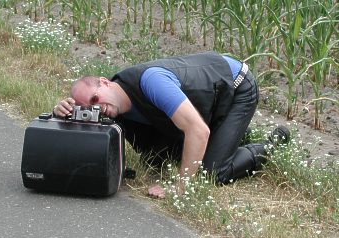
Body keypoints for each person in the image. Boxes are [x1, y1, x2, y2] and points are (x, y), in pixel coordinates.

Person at [53, 51, 289, 198]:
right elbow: (85, 136)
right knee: (158, 159)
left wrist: (180, 187)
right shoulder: (112, 106)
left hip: (236, 86)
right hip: (205, 104)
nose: (98, 108)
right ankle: (230, 135)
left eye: (96, 99)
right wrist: (61, 113)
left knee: (211, 173)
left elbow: (197, 130)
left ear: (104, 82)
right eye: (90, 108)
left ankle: (272, 143)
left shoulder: (151, 82)